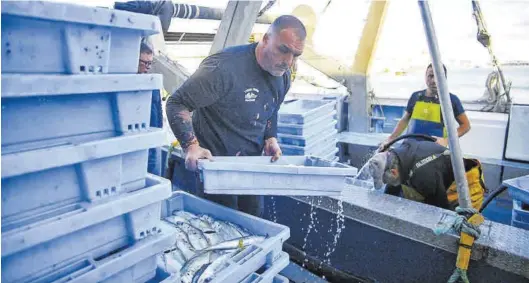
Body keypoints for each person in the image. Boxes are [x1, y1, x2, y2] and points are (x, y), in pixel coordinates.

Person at [165, 15, 306, 217]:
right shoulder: (223, 68)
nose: (288, 62)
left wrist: (270, 137)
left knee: (254, 222)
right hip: (216, 168)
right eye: (283, 50)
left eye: (296, 55)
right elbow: (177, 103)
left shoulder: (283, 75)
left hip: (252, 168)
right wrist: (191, 146)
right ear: (265, 39)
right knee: (220, 228)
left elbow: (271, 109)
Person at [369, 138, 486, 210]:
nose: (387, 183)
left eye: (386, 180)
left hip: (467, 183)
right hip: (437, 175)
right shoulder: (398, 155)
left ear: (394, 172)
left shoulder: (424, 178)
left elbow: (439, 211)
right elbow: (393, 186)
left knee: (458, 226)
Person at [380, 64, 471, 149]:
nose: (434, 81)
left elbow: (465, 125)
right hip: (410, 146)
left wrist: (446, 140)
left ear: (445, 78)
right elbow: (404, 120)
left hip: (434, 149)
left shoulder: (451, 100)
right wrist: (391, 139)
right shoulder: (415, 96)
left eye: (438, 76)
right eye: (431, 76)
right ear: (425, 76)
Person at [138, 38, 163, 176]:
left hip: (153, 138)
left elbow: (158, 112)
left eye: (150, 63)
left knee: (154, 173)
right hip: (138, 139)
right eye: (144, 63)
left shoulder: (152, 83)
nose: (147, 67)